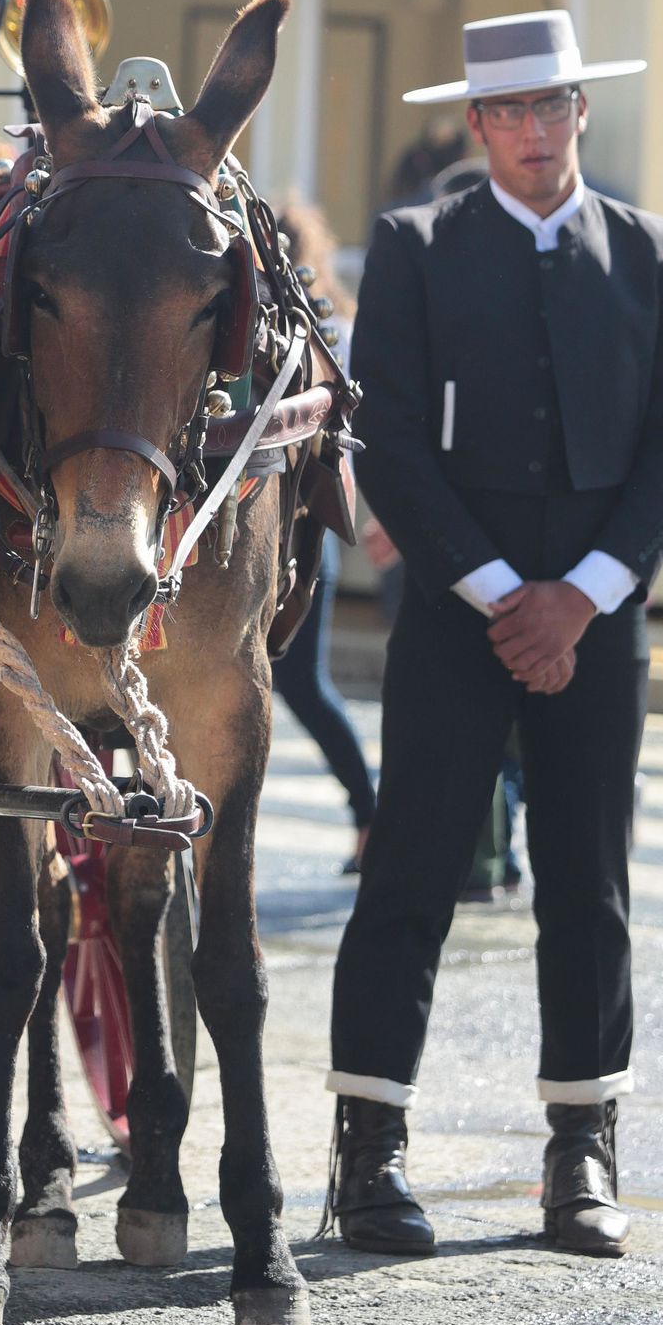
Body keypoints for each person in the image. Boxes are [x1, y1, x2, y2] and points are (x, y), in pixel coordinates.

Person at [324, 9, 663, 1261]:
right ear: (478, 122)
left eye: (553, 106)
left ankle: (580, 1154)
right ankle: (368, 1155)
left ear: (580, 111)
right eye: (509, 111)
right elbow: (383, 439)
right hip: (453, 617)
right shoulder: (416, 246)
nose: (534, 130)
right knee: (411, 875)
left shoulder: (659, 254)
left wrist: (581, 595)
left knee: (587, 888)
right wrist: (499, 593)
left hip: (599, 620)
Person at [271, 200, 377, 868]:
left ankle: (371, 813)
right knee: (306, 688)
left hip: (300, 529)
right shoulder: (333, 321)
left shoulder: (326, 328)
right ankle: (369, 814)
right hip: (289, 527)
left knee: (305, 687)